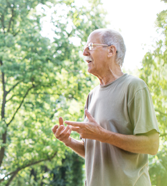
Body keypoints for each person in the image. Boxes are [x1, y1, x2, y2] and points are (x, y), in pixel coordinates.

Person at [52, 29, 160, 186]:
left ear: (111, 50)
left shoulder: (134, 87)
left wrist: (103, 135)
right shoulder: (92, 95)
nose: (84, 52)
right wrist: (68, 141)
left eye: (91, 46)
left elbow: (152, 145)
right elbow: (94, 152)